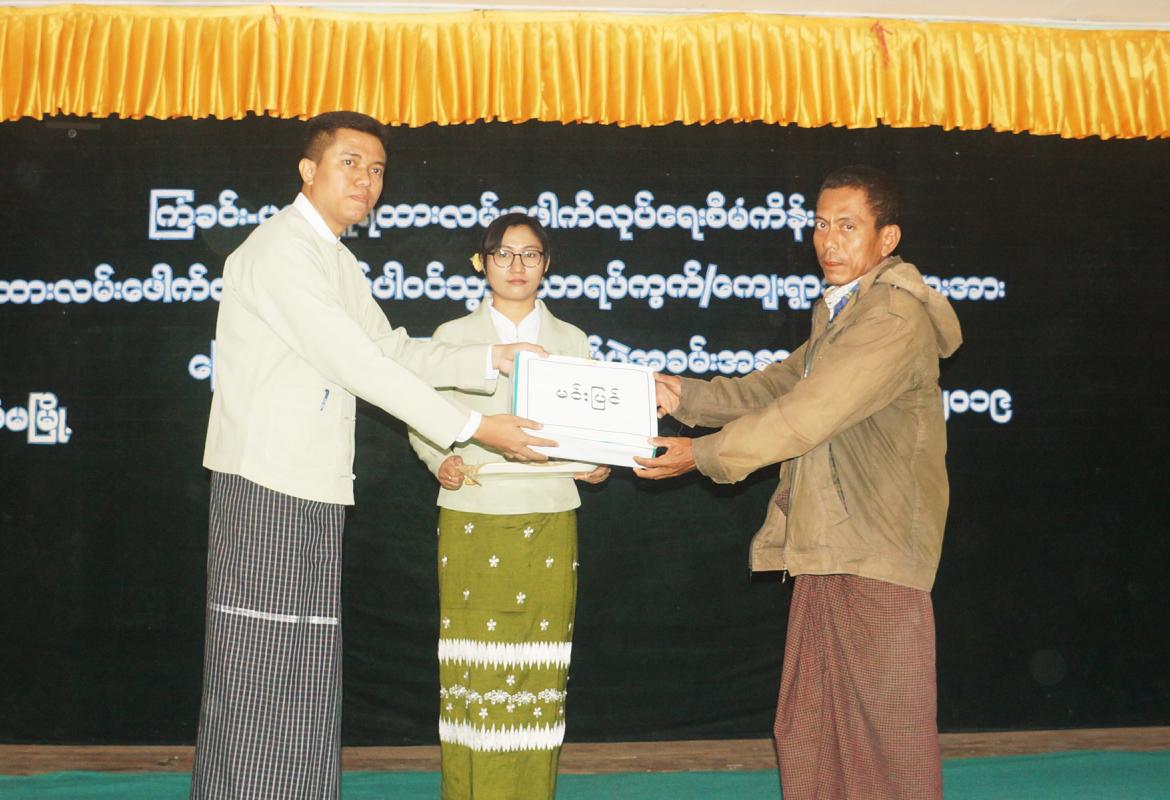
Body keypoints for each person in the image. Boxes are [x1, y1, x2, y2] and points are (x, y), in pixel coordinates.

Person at [192, 112, 554, 800]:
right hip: (266, 480)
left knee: (303, 669)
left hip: (312, 483)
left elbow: (390, 348)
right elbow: (357, 364)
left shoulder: (332, 257)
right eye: (350, 163)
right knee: (260, 668)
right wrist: (475, 426)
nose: (366, 180)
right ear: (309, 171)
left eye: (377, 169)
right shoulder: (280, 251)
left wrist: (489, 358)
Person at [635, 165, 962, 800]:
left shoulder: (891, 318)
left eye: (848, 226)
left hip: (877, 555)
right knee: (811, 730)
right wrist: (683, 395)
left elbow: (804, 416)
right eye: (820, 225)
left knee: (887, 741)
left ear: (887, 238)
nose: (828, 241)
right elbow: (775, 387)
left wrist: (700, 455)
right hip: (827, 546)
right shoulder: (846, 312)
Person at [408, 212, 610, 800]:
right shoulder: (452, 337)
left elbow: (592, 429)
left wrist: (599, 460)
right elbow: (421, 414)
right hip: (473, 510)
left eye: (530, 254)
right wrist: (437, 459)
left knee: (539, 670)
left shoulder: (572, 341)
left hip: (549, 515)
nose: (517, 266)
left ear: (547, 264)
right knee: (475, 668)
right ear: (482, 263)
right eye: (503, 253)